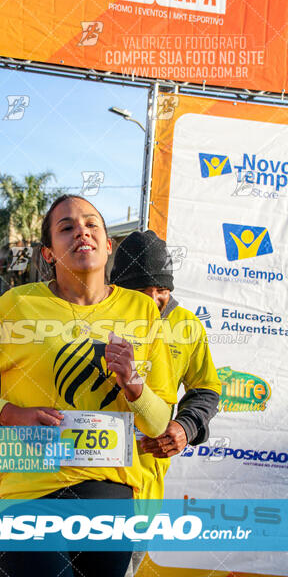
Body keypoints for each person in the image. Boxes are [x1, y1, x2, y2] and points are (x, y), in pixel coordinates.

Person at [0, 196, 176, 577]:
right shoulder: (15, 305)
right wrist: (10, 414)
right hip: (27, 489)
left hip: (108, 488)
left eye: (91, 224)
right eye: (66, 227)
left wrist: (133, 384)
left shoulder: (143, 310)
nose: (81, 231)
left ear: (108, 245)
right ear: (49, 253)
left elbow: (157, 421)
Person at [110, 230, 221, 576]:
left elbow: (206, 389)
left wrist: (186, 427)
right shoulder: (93, 316)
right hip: (82, 479)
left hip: (144, 486)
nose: (155, 299)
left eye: (163, 289)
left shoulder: (187, 326)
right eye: (144, 291)